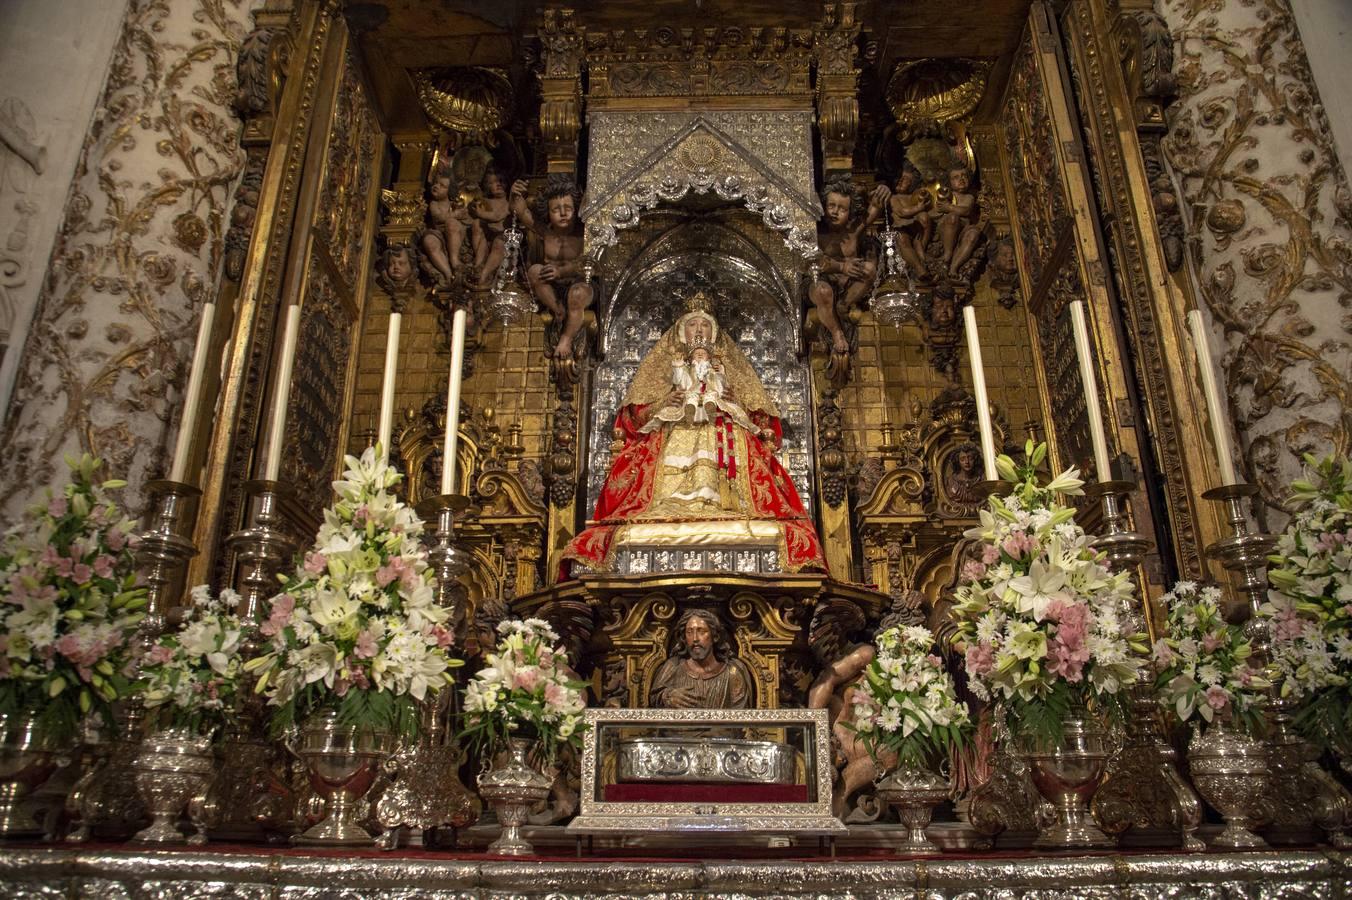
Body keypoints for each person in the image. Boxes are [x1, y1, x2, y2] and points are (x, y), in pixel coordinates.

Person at [561, 293, 827, 575]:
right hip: (675, 427)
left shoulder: (726, 369)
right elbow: (631, 418)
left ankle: (725, 506)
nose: (699, 330)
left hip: (723, 431)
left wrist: (734, 400)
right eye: (692, 325)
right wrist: (664, 403)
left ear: (714, 334)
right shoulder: (666, 368)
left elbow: (764, 422)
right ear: (680, 332)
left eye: (705, 325)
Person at [509, 176, 592, 359]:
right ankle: (558, 310)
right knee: (534, 271)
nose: (563, 214)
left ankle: (566, 339)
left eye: (568, 209)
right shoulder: (546, 233)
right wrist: (515, 194)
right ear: (548, 212)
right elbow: (522, 213)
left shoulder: (585, 234)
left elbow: (589, 262)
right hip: (552, 287)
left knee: (577, 295)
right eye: (556, 210)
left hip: (579, 284)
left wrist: (561, 271)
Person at [812, 177, 889, 354]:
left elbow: (875, 208)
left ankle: (843, 305)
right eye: (831, 206)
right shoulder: (816, 232)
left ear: (850, 211)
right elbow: (813, 261)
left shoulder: (853, 229)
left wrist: (883, 189)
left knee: (869, 269)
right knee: (822, 291)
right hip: (820, 282)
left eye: (842, 209)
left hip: (848, 287)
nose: (835, 212)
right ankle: (837, 332)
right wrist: (842, 266)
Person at [649, 609, 753, 709]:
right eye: (689, 632)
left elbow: (741, 718)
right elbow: (653, 699)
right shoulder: (673, 667)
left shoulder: (733, 672)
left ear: (715, 636)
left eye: (701, 631)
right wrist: (668, 696)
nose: (695, 638)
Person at [470, 166, 512, 288]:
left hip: (502, 236)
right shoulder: (486, 201)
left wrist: (481, 214)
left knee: (499, 242)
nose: (498, 185)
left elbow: (499, 215)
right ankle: (478, 264)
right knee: (477, 224)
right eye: (493, 182)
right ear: (487, 186)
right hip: (488, 236)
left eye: (501, 181)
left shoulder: (509, 202)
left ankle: (483, 275)